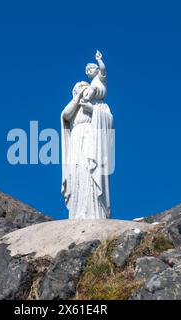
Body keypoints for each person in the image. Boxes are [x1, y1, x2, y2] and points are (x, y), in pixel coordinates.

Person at [61, 51, 114, 219]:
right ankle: (77, 212)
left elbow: (109, 120)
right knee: (76, 172)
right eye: (78, 89)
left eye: (84, 88)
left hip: (92, 137)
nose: (83, 91)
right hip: (76, 139)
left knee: (90, 170)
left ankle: (95, 212)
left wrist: (92, 109)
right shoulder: (74, 108)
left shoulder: (99, 105)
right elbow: (65, 115)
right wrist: (77, 99)